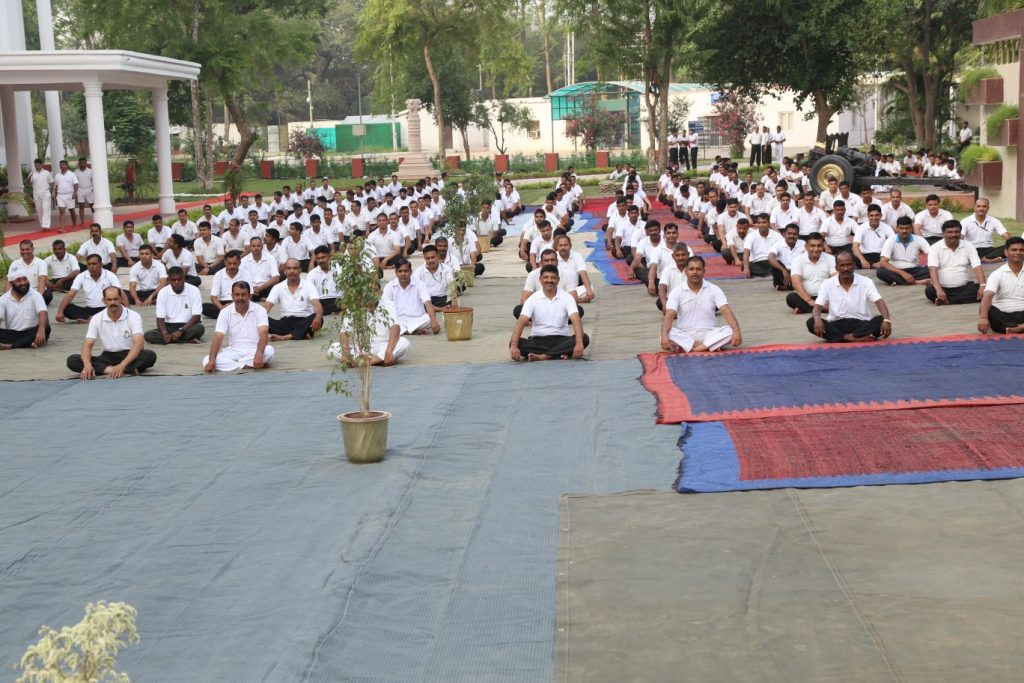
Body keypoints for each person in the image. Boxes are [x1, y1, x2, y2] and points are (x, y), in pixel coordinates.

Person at [66, 285, 157, 378]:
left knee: (150, 356)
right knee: (73, 360)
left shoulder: (134, 316)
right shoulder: (96, 318)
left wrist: (122, 365)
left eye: (115, 299)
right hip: (107, 356)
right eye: (109, 300)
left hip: (129, 355)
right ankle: (117, 370)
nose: (112, 302)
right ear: (104, 301)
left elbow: (139, 344)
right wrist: (87, 365)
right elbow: (87, 345)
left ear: (121, 299)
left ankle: (114, 369)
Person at [660, 256, 743, 353]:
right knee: (665, 333)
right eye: (691, 269)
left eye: (698, 269)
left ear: (704, 271)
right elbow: (669, 315)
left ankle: (693, 348)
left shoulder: (714, 289)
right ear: (686, 272)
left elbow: (726, 310)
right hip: (686, 333)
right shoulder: (676, 291)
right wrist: (664, 335)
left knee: (731, 331)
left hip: (710, 333)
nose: (695, 272)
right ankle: (709, 346)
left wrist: (737, 332)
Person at [510, 265, 589, 361]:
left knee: (583, 338)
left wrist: (579, 343)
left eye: (553, 277)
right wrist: (514, 346)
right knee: (515, 343)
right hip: (538, 340)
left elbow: (576, 320)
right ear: (540, 280)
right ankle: (560, 353)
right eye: (546, 277)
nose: (549, 280)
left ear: (558, 280)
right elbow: (521, 321)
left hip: (561, 339)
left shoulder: (567, 297)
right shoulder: (533, 298)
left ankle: (543, 356)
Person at [808, 252, 892, 342]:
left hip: (861, 323)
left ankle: (840, 337)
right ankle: (851, 338)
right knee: (811, 322)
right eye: (842, 266)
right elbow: (817, 307)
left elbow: (879, 301)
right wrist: (817, 319)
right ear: (836, 268)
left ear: (854, 265)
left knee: (881, 320)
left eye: (849, 265)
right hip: (837, 323)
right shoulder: (827, 284)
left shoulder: (866, 281)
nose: (846, 269)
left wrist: (887, 320)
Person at [203, 281, 274, 372]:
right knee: (206, 360)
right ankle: (246, 365)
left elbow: (264, 334)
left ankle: (236, 364)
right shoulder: (225, 312)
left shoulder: (260, 310)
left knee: (269, 350)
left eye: (243, 295)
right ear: (232, 296)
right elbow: (218, 337)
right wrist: (212, 360)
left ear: (249, 296)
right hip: (234, 350)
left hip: (254, 349)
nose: (240, 298)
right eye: (237, 295)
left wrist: (259, 354)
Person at [330, 297, 409, 367]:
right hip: (359, 349)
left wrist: (389, 351)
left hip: (382, 347)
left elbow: (395, 327)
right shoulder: (353, 307)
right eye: (369, 290)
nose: (372, 293)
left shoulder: (387, 304)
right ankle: (380, 360)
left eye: (375, 290)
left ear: (380, 292)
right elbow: (344, 332)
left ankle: (371, 361)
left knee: (404, 343)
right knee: (333, 348)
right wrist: (346, 353)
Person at [926, 220, 985, 305]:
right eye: (949, 232)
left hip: (964, 288)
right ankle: (952, 298)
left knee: (986, 289)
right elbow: (932, 269)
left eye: (956, 232)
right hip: (943, 288)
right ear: (943, 233)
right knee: (930, 291)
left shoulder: (969, 246)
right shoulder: (935, 247)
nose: (953, 235)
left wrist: (982, 286)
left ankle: (948, 301)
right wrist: (939, 290)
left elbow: (977, 267)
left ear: (960, 232)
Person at [263, 259, 324, 341]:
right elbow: (267, 306)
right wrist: (259, 318)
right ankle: (301, 334)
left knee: (318, 318)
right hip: (285, 322)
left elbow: (316, 304)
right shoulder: (277, 287)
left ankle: (286, 337)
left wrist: (318, 316)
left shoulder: (309, 286)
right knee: (262, 319)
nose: (292, 271)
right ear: (285, 270)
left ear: (300, 270)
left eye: (295, 268)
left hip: (304, 320)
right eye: (289, 268)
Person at [56, 254, 124, 322]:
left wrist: (128, 313)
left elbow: (121, 293)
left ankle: (93, 319)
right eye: (89, 264)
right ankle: (93, 318)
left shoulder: (110, 275)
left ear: (101, 264)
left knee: (116, 307)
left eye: (94, 264)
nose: (91, 266)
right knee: (67, 308)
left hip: (106, 308)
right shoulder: (81, 276)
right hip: (89, 310)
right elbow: (70, 294)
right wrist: (60, 312)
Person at [145, 267, 205, 345]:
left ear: (184, 278)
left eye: (179, 279)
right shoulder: (163, 292)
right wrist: (164, 333)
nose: (176, 282)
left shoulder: (194, 290)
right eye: (173, 280)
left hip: (188, 326)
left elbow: (196, 317)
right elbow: (160, 318)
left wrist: (181, 330)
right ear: (169, 280)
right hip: (169, 326)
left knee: (199, 328)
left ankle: (171, 339)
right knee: (148, 335)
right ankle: (186, 340)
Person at [380, 259, 440, 335]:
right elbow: (384, 304)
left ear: (411, 272)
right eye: (400, 271)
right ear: (396, 272)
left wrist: (434, 321)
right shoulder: (390, 286)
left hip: (417, 320)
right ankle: (412, 331)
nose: (403, 274)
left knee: (429, 318)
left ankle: (404, 331)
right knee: (385, 319)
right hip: (398, 320)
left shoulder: (420, 284)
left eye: (406, 271)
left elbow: (427, 302)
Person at [978, 237, 1024, 334]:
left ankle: (1013, 329)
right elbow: (988, 295)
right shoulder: (997, 274)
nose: (1018, 253)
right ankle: (1018, 328)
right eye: (1014, 250)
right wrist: (983, 317)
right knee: (988, 310)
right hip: (1002, 315)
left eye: (1021, 250)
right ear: (1006, 253)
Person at [786, 232, 836, 313]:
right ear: (806, 246)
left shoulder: (831, 259)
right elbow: (796, 283)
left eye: (819, 246)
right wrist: (810, 301)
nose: (816, 249)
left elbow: (836, 280)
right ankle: (823, 309)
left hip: (826, 297)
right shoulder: (798, 260)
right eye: (812, 246)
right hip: (806, 297)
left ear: (823, 246)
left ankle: (805, 309)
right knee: (791, 298)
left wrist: (829, 300)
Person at [877, 216, 931, 286]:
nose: (904, 231)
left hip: (914, 270)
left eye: (907, 228)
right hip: (895, 270)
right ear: (897, 228)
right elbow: (883, 262)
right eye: (901, 228)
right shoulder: (890, 240)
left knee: (933, 268)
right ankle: (916, 282)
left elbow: (932, 255)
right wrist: (903, 274)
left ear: (911, 228)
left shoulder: (919, 239)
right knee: (880, 272)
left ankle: (898, 281)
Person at [0, 275, 50, 350]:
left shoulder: (36, 295)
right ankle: (29, 343)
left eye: (25, 279)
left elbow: (43, 313)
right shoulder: (3, 299)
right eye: (18, 280)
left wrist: (41, 331)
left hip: (32, 332)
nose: (23, 283)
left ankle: (10, 346)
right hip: (12, 334)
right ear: (11, 283)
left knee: (46, 328)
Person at [852, 204, 895, 269]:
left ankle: (875, 265)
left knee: (894, 257)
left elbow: (894, 243)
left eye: (876, 215)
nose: (874, 218)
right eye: (871, 215)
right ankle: (878, 265)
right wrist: (863, 260)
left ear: (881, 215)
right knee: (853, 257)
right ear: (868, 216)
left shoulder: (887, 228)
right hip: (865, 255)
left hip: (881, 255)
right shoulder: (861, 228)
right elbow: (855, 247)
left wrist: (883, 261)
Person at [742, 213, 784, 279]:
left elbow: (783, 251)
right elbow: (746, 252)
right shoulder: (751, 236)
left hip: (771, 262)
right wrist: (746, 268)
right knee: (744, 265)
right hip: (756, 263)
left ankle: (763, 274)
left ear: (769, 223)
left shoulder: (777, 235)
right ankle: (770, 274)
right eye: (759, 223)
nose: (761, 225)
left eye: (764, 222)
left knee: (780, 264)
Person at [412, 244, 454, 309]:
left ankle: (434, 308)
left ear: (438, 256)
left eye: (433, 257)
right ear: (424, 258)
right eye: (428, 258)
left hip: (443, 299)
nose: (430, 260)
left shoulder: (447, 269)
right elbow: (415, 290)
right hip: (426, 300)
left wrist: (454, 302)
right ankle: (439, 309)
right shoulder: (419, 271)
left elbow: (452, 286)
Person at [767, 224, 806, 291]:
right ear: (784, 234)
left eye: (795, 234)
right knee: (776, 263)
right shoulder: (778, 244)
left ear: (798, 235)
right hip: (784, 273)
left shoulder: (803, 244)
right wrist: (783, 270)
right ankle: (787, 285)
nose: (792, 236)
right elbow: (770, 257)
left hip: (799, 272)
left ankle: (783, 286)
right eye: (789, 233)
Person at [240, 236, 280, 301]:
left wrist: (261, 287)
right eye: (253, 246)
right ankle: (259, 299)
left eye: (258, 246)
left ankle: (259, 299)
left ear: (262, 247)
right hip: (250, 289)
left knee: (276, 287)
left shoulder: (270, 258)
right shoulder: (244, 261)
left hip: (266, 287)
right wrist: (251, 289)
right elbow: (241, 278)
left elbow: (276, 278)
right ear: (250, 247)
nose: (256, 248)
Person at [27, 159, 54, 231]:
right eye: (36, 165)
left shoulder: (47, 173)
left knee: (46, 209)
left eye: (38, 165)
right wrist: (29, 178)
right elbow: (28, 184)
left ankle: (46, 226)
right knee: (39, 210)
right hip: (36, 194)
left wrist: (50, 192)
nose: (37, 167)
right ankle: (43, 225)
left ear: (42, 165)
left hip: (46, 194)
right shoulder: (32, 173)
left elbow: (51, 183)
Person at [53, 159, 78, 230]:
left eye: (63, 165)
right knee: (61, 211)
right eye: (60, 165)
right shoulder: (57, 175)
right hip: (60, 195)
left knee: (72, 210)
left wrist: (75, 193)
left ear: (67, 166)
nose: (61, 166)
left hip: (70, 195)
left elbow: (76, 184)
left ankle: (74, 225)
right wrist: (55, 196)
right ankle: (62, 228)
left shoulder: (72, 174)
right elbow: (56, 186)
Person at [74, 157, 94, 228]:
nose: (82, 164)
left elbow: (93, 180)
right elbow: (74, 182)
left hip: (89, 189)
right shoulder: (76, 172)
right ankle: (82, 222)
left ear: (86, 163)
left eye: (84, 162)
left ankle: (96, 220)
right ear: (78, 163)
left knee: (92, 205)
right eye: (81, 163)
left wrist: (93, 189)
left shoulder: (90, 171)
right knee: (81, 206)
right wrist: (75, 191)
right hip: (80, 190)